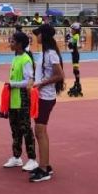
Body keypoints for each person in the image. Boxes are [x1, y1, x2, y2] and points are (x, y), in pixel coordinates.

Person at [29, 24, 65, 182]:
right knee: (40, 131)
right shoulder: (45, 53)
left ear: (44, 36)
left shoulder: (51, 54)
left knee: (40, 131)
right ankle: (45, 164)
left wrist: (41, 84)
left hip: (46, 97)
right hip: (41, 96)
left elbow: (60, 75)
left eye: (38, 34)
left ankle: (44, 169)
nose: (37, 37)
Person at [2, 31, 39, 171]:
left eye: (12, 42)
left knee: (25, 129)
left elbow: (29, 81)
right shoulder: (15, 58)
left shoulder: (26, 59)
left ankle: (32, 159)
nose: (10, 44)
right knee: (15, 129)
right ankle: (17, 157)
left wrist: (13, 84)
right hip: (13, 100)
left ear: (19, 44)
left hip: (22, 99)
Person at [66, 22, 83, 96]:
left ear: (76, 30)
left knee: (76, 70)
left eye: (72, 29)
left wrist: (69, 41)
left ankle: (78, 84)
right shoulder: (75, 36)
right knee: (75, 70)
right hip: (74, 54)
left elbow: (73, 45)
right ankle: (77, 83)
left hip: (75, 55)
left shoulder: (76, 36)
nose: (71, 31)